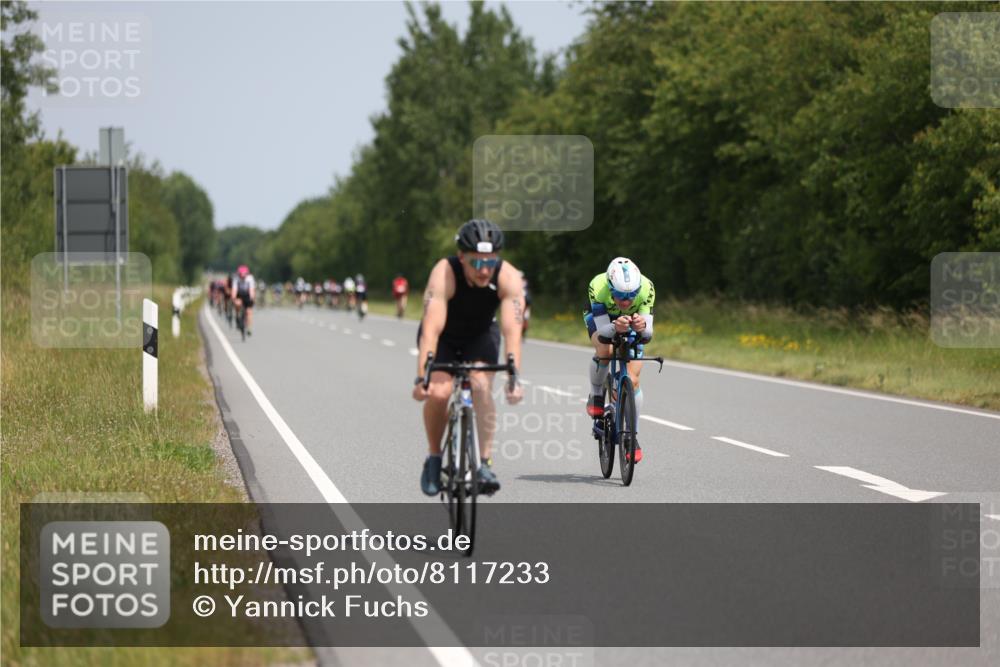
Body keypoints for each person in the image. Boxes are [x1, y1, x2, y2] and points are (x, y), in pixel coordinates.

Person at [412, 219, 524, 496]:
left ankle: (484, 463)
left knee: (480, 386)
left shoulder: (507, 276)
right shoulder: (444, 272)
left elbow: (513, 331)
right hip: (445, 337)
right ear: (461, 257)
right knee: (439, 392)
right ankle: (435, 457)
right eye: (475, 263)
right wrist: (421, 377)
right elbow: (431, 328)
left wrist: (514, 377)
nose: (484, 270)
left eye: (490, 262)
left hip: (481, 335)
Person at [583, 257, 655, 463]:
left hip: (631, 323)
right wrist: (616, 327)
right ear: (610, 288)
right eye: (620, 295)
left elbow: (648, 334)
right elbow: (603, 330)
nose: (626, 301)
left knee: (633, 379)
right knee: (605, 349)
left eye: (631, 295)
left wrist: (642, 327)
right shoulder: (598, 287)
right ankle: (596, 393)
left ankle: (632, 436)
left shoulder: (647, 287)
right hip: (603, 318)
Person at [232, 264, 257, 336]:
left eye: (244, 276)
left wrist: (252, 298)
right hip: (239, 294)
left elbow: (251, 290)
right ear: (239, 274)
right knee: (237, 304)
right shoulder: (236, 278)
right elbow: (234, 290)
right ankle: (237, 317)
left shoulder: (250, 278)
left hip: (247, 294)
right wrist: (234, 298)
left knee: (249, 312)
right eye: (241, 276)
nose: (242, 277)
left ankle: (249, 328)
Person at [520, 271, 532, 337]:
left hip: (526, 305)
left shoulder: (524, 283)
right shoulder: (515, 282)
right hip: (519, 305)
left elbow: (528, 299)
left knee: (525, 319)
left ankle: (523, 332)